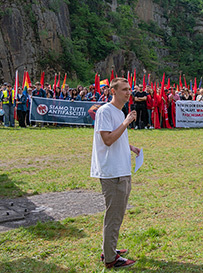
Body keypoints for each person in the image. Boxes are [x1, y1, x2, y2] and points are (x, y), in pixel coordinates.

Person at [91, 77, 139, 269]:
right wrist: (127, 122)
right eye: (124, 89)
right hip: (112, 172)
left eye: (129, 89)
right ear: (113, 92)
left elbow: (115, 138)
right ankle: (110, 258)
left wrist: (129, 147)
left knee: (117, 214)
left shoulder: (119, 112)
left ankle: (110, 248)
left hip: (121, 168)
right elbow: (108, 139)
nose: (128, 93)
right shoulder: (105, 111)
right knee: (114, 215)